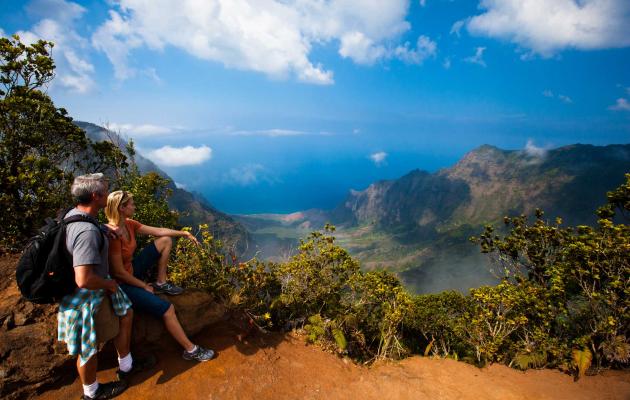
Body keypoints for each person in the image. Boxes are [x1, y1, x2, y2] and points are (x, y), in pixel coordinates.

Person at [105, 190, 214, 362]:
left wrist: (184, 233)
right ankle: (191, 350)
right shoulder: (112, 235)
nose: (134, 206)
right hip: (122, 284)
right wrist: (143, 286)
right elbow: (118, 272)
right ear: (121, 208)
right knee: (167, 309)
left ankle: (161, 282)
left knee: (165, 240)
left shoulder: (129, 224)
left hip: (132, 270)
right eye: (131, 204)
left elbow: (159, 231)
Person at [57, 173, 133, 400]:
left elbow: (85, 229)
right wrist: (108, 283)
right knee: (88, 346)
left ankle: (127, 366)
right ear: (95, 196)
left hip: (95, 289)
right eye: (105, 191)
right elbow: (83, 279)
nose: (108, 195)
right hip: (86, 294)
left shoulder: (76, 215)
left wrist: (104, 229)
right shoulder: (87, 232)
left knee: (126, 313)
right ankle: (92, 393)